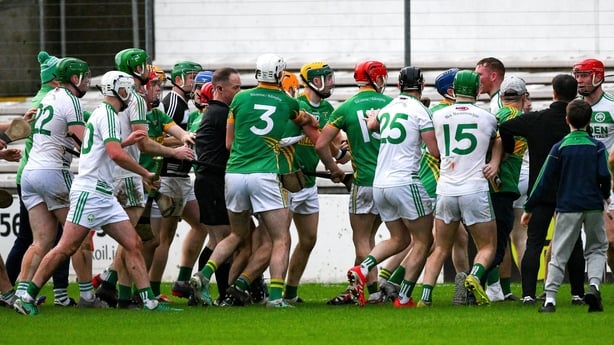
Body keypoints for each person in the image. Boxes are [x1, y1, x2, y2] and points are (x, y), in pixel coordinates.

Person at [13, 71, 182, 315]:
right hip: (91, 192)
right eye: (128, 89)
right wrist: (144, 173)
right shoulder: (109, 115)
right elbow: (114, 154)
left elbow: (104, 149)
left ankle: (149, 301)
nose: (131, 94)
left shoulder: (104, 114)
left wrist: (125, 143)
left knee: (133, 242)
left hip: (102, 193)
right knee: (65, 248)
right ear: (119, 90)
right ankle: (27, 295)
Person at [190, 54, 318, 308]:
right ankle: (276, 297)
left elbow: (228, 143)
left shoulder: (239, 98)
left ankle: (203, 276)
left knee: (236, 234)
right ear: (280, 75)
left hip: (235, 173)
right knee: (281, 238)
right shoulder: (286, 100)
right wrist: (311, 121)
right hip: (265, 174)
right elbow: (303, 120)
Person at [95, 48, 194, 308]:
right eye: (148, 69)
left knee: (134, 239)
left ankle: (113, 287)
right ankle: (126, 292)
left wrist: (184, 136)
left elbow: (164, 126)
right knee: (136, 240)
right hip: (128, 174)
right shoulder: (136, 99)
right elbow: (143, 143)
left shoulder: (116, 99)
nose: (153, 80)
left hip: (110, 174)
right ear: (137, 68)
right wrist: (175, 151)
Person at [14, 57, 107, 309]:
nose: (87, 81)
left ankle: (21, 294)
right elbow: (83, 140)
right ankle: (88, 296)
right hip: (53, 171)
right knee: (79, 236)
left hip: (31, 173)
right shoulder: (71, 100)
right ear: (73, 78)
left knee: (41, 240)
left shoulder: (48, 97)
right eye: (84, 76)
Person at [346, 66, 439, 307]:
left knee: (399, 238)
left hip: (380, 184)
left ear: (398, 86)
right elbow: (435, 150)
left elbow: (372, 125)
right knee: (424, 240)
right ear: (421, 86)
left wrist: (371, 119)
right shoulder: (421, 111)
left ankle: (362, 268)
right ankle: (405, 296)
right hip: (405, 182)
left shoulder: (389, 108)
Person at [499, 74, 586, 305]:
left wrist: (507, 149)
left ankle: (528, 294)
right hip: (570, 190)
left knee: (535, 242)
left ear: (554, 93)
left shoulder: (537, 119)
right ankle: (577, 293)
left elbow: (505, 126)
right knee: (574, 241)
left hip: (542, 189)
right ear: (575, 94)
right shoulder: (577, 122)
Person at [418, 70, 501, 306]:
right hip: (475, 188)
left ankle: (425, 297)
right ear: (476, 90)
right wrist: (494, 162)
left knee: (441, 247)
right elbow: (498, 140)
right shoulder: (488, 118)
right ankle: (473, 278)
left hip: (445, 187)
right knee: (487, 246)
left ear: (454, 90)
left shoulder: (438, 116)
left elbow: (432, 149)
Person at [315, 60, 392, 305]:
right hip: (389, 182)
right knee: (385, 238)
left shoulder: (345, 107)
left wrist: (334, 168)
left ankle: (374, 292)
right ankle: (358, 288)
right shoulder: (393, 104)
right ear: (377, 78)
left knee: (362, 239)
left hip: (363, 182)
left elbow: (320, 144)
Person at [522, 99, 610, 313]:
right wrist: (605, 196)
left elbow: (544, 180)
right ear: (589, 121)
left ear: (567, 120)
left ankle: (550, 299)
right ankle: (594, 287)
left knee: (560, 252)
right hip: (593, 205)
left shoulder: (560, 147)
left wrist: (529, 207)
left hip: (568, 205)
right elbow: (604, 175)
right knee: (597, 248)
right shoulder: (597, 147)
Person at [5, 51, 77, 307]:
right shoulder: (57, 98)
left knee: (35, 238)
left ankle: (14, 293)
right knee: (67, 235)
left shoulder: (40, 98)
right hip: (46, 171)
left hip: (29, 173)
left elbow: (14, 129)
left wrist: (3, 146)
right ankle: (60, 293)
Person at [149, 61, 207, 301]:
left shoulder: (184, 104)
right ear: (179, 79)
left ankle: (182, 280)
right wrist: (187, 141)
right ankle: (150, 291)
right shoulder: (172, 103)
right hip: (169, 175)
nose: (195, 82)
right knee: (162, 238)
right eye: (191, 77)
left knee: (202, 225)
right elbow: (157, 139)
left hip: (181, 177)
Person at [281, 62, 337, 304]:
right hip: (286, 180)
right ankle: (267, 291)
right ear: (315, 81)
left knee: (308, 239)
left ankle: (290, 293)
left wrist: (346, 152)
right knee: (279, 240)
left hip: (310, 181)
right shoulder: (296, 106)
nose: (333, 82)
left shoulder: (327, 108)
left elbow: (332, 142)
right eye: (328, 77)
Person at [189, 67, 242, 304]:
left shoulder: (216, 111)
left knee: (215, 239)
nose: (239, 92)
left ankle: (199, 293)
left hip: (208, 180)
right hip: (212, 180)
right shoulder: (221, 113)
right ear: (219, 88)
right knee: (225, 238)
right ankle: (223, 294)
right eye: (236, 88)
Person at [483, 76, 530, 302]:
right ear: (523, 97)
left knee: (492, 238)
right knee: (498, 240)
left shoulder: (494, 115)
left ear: (502, 96)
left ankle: (497, 289)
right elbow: (501, 143)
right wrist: (497, 161)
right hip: (502, 182)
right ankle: (483, 285)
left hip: (489, 183)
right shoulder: (519, 118)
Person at [572, 58, 614, 275]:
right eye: (577, 76)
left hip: (608, 180)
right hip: (578, 181)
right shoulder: (573, 106)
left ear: (598, 76)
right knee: (563, 240)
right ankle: (546, 291)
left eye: (585, 75)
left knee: (611, 239)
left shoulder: (612, 106)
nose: (580, 81)